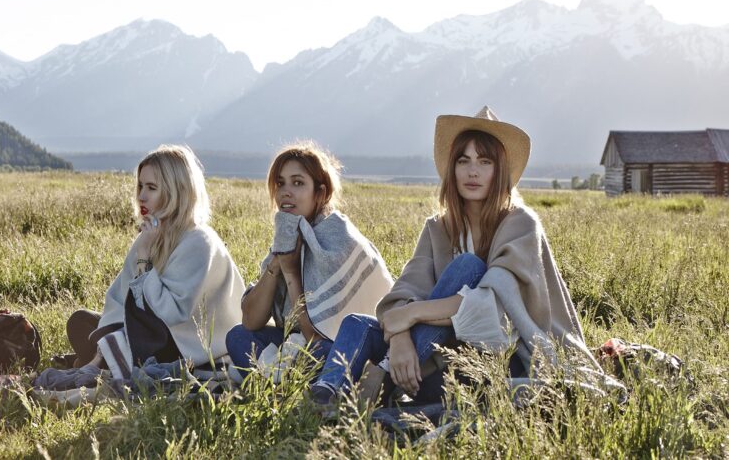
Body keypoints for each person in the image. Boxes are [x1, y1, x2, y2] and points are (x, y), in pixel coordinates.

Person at [310, 107, 597, 405]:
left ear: (500, 170)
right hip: (435, 359)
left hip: (496, 361)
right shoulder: (438, 228)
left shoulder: (521, 224)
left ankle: (382, 387)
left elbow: (492, 310)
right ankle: (327, 395)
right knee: (357, 323)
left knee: (468, 266)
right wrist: (399, 338)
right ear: (453, 168)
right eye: (464, 161)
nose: (473, 171)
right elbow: (403, 294)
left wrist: (411, 314)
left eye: (484, 162)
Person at [65, 144, 246, 374]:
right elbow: (120, 299)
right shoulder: (153, 237)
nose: (141, 196)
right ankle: (104, 358)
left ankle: (96, 365)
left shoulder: (199, 241)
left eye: (151, 188)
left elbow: (169, 314)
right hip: (151, 329)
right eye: (140, 186)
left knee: (115, 340)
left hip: (187, 342)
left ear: (175, 191)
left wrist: (144, 257)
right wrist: (111, 331)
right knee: (82, 321)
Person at [225, 142, 393, 378]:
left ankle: (277, 384)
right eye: (280, 183)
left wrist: (292, 274)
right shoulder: (287, 236)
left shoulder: (340, 240)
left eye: (298, 183)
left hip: (346, 348)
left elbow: (318, 336)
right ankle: (286, 385)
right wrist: (276, 264)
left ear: (320, 193)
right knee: (238, 337)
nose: (285, 192)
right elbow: (252, 321)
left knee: (320, 352)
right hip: (299, 344)